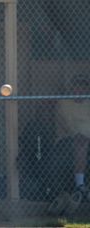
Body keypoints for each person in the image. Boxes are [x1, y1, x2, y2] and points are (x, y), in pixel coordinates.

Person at [54, 74, 90, 213]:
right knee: (81, 141)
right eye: (77, 86)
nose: (80, 90)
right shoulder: (64, 103)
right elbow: (69, 125)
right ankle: (79, 185)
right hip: (68, 139)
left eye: (84, 87)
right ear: (72, 88)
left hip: (88, 137)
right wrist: (81, 135)